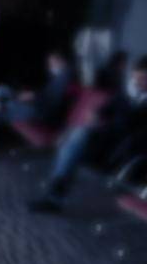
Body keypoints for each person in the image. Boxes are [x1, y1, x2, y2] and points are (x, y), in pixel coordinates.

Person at [28, 54, 147, 213]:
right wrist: (96, 115)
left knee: (78, 135)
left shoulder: (140, 101)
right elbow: (106, 110)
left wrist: (113, 123)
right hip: (105, 144)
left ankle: (55, 193)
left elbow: (135, 132)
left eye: (143, 79)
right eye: (136, 77)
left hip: (124, 153)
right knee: (78, 134)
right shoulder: (127, 94)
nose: (138, 83)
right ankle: (55, 193)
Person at [0, 49, 74, 158]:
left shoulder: (65, 76)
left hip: (36, 111)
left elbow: (51, 101)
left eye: (54, 62)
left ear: (62, 61)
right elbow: (47, 94)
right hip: (35, 104)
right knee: (2, 89)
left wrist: (33, 97)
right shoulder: (59, 77)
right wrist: (31, 94)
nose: (51, 65)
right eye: (50, 63)